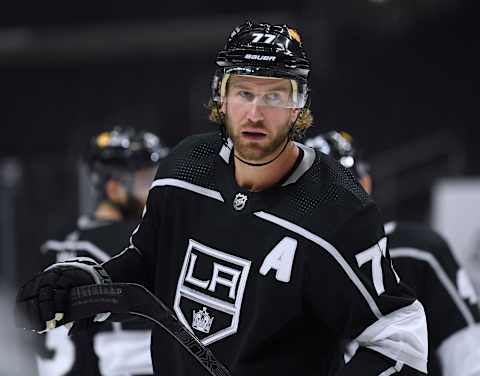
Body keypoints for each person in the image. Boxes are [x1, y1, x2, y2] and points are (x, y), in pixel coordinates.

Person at [17, 21, 428, 375]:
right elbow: (149, 265)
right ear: (221, 95)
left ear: (299, 105)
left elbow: (400, 339)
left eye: (274, 96)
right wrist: (93, 283)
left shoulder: (338, 209)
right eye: (244, 92)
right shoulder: (184, 168)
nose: (255, 113)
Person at [305, 130, 480, 376]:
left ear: (366, 183)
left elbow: (468, 357)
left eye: (339, 187)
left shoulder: (415, 252)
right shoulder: (286, 265)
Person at [35, 126, 169, 376]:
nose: (155, 187)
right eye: (145, 179)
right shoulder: (131, 245)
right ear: (114, 189)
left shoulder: (59, 243)